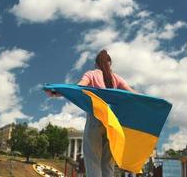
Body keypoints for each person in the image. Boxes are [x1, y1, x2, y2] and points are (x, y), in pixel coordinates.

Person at [47, 49, 136, 177]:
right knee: (108, 164)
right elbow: (132, 93)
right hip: (113, 124)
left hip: (96, 119)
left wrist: (57, 92)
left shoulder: (91, 74)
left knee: (93, 160)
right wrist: (153, 103)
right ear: (110, 63)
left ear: (96, 64)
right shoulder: (117, 78)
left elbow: (79, 87)